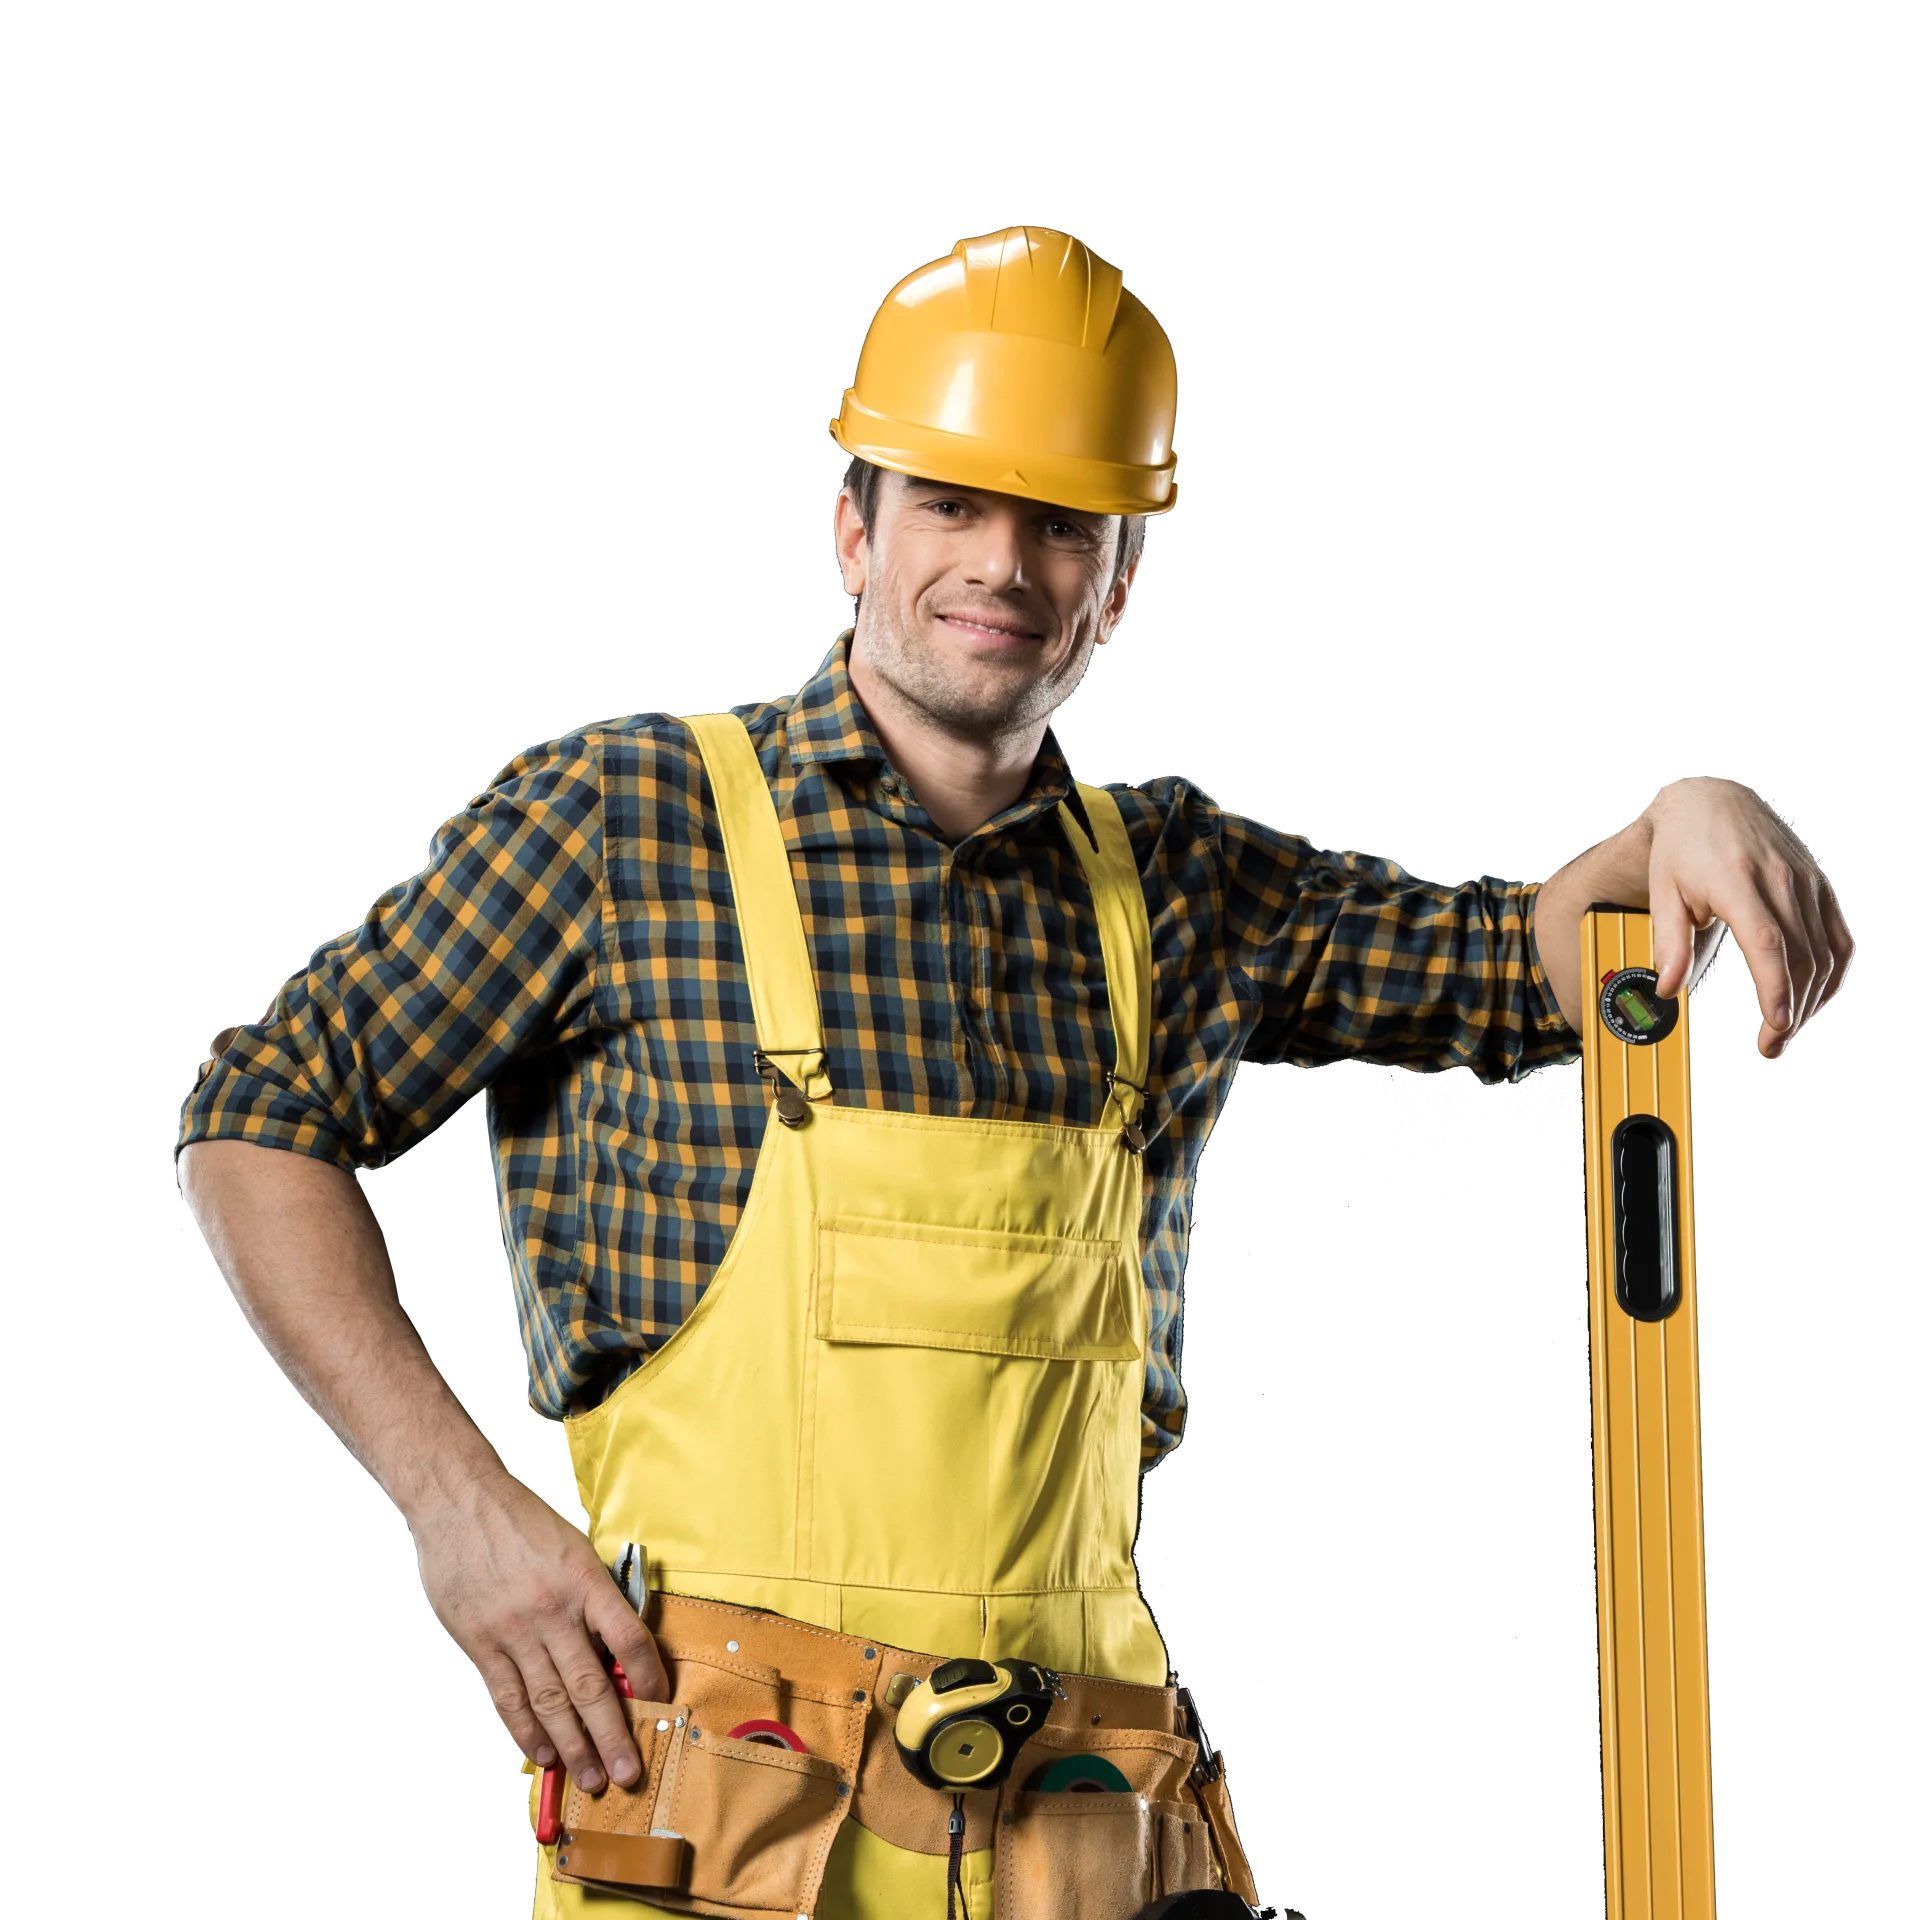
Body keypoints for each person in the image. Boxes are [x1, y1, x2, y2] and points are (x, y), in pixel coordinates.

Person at [173, 225, 1852, 1920]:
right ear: (853, 529)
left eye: (1064, 524)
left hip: (1070, 1827)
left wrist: (1679, 815)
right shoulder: (623, 820)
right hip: (721, 1822)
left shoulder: (1183, 882)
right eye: (951, 507)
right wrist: (457, 1513)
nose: (1004, 564)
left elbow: (1524, 965)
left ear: (1120, 581)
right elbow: (261, 1116)